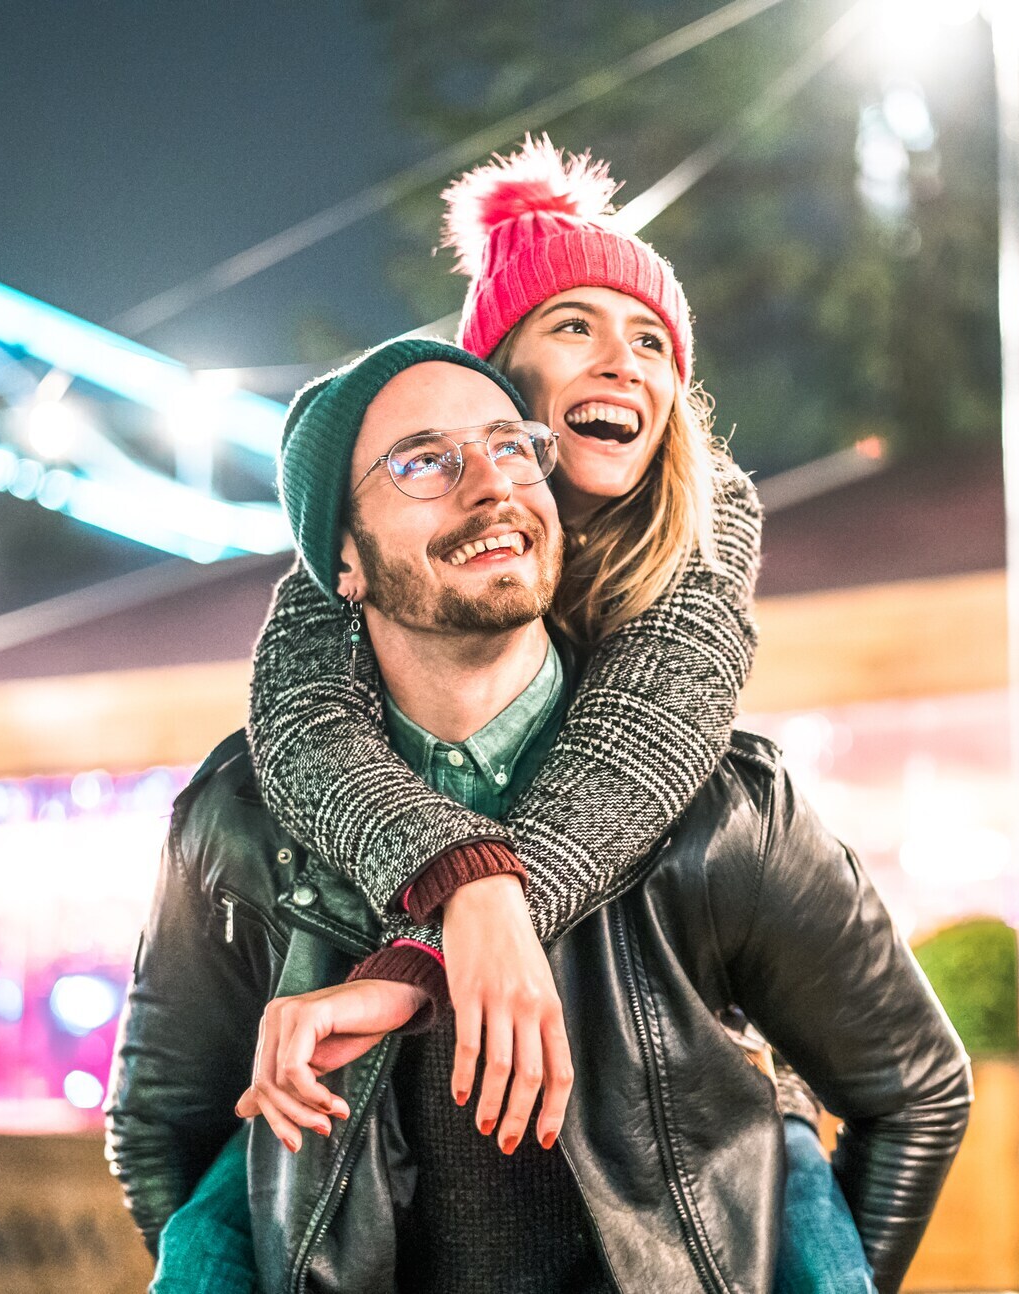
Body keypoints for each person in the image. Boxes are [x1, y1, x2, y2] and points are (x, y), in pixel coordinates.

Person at [105, 338, 971, 1293]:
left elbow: (916, 1094)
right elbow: (162, 1131)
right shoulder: (240, 818)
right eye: (424, 461)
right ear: (343, 559)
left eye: (512, 446)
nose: (490, 486)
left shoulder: (721, 813)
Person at [166, 139, 869, 1290]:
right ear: (490, 370)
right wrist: (454, 892)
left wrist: (453, 920)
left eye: (651, 341)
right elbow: (299, 720)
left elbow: (639, 743)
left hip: (667, 1066)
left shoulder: (703, 530)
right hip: (395, 1111)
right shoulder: (385, 513)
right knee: (220, 1217)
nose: (622, 361)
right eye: (574, 327)